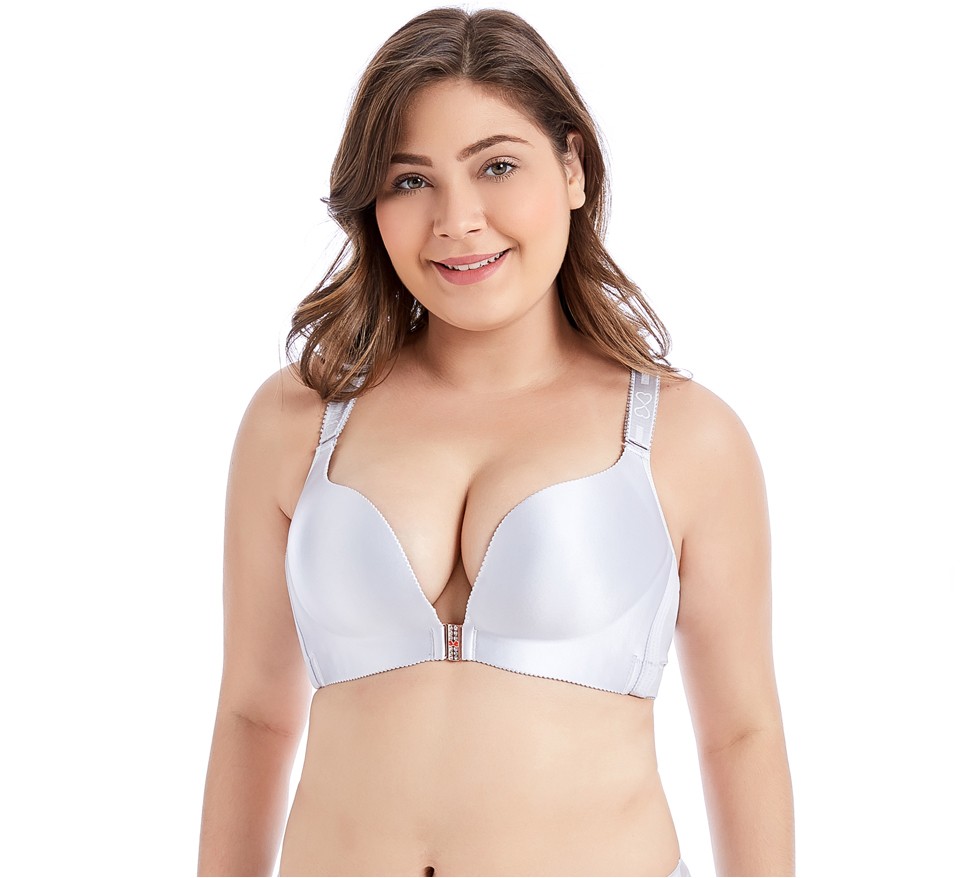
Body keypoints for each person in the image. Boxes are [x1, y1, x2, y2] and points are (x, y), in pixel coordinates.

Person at [197, 7, 794, 877]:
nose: (457, 220)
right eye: (411, 180)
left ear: (573, 167)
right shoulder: (297, 420)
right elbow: (253, 715)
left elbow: (741, 733)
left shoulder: (685, 437)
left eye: (497, 166)